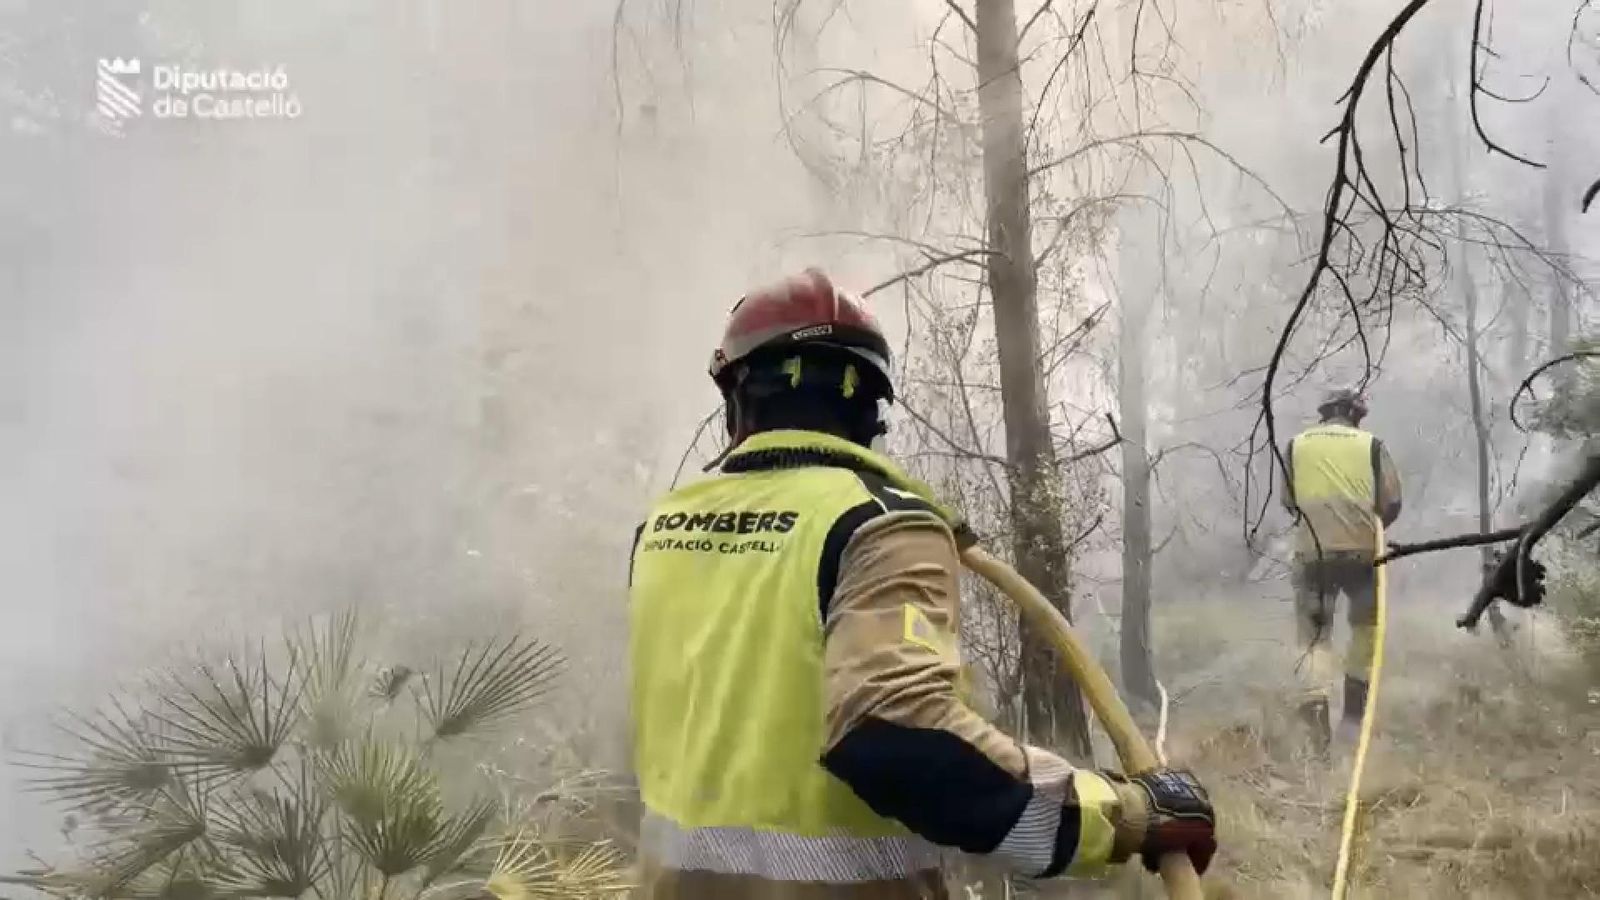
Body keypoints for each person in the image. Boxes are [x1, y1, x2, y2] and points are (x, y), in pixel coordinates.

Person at [627, 269, 1217, 899]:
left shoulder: (660, 530)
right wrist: (1122, 816)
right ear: (868, 409)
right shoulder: (879, 525)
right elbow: (898, 736)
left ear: (736, 399)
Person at [1282, 388, 1403, 755]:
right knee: (1365, 632)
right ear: (1355, 415)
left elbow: (1289, 501)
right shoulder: (1372, 446)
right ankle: (1352, 720)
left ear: (1324, 414)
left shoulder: (1296, 445)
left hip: (1313, 556)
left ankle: (1316, 730)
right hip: (1363, 557)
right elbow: (1392, 502)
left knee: (1314, 639)